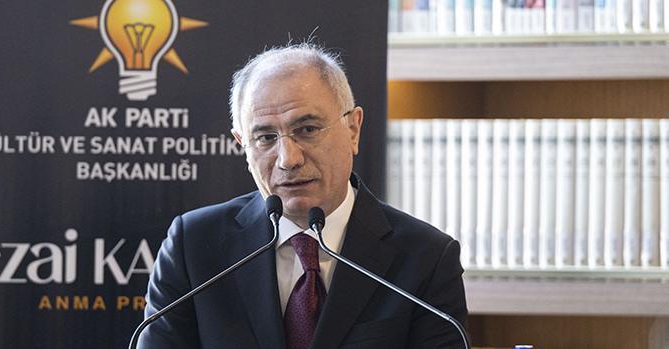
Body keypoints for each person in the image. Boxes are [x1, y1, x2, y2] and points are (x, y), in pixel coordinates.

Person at [140, 43, 468, 348]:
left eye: (307, 130)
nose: (289, 159)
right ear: (242, 145)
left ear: (353, 129)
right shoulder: (194, 246)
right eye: (266, 138)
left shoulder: (426, 258)